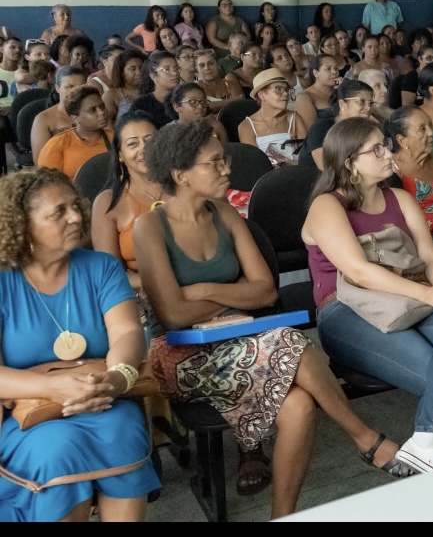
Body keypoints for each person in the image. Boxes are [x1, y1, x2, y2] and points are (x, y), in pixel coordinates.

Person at [134, 122, 402, 519]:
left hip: (240, 341)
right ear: (180, 174)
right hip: (180, 353)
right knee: (289, 341)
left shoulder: (224, 213)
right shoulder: (150, 227)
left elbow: (264, 291)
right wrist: (225, 296)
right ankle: (365, 438)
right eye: (214, 163)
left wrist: (199, 290)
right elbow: (172, 314)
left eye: (224, 159)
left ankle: (283, 515)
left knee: (298, 405)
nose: (227, 168)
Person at [302, 118, 433, 473]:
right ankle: (432, 449)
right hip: (346, 310)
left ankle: (425, 447)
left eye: (386, 145)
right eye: (377, 149)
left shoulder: (398, 197)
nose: (389, 153)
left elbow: (429, 255)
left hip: (408, 299)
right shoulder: (328, 205)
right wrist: (430, 295)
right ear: (350, 162)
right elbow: (357, 271)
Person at [0, 168, 159, 522]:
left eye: (75, 206)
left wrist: (117, 378)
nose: (76, 217)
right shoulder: (2, 280)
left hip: (102, 397)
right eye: (59, 212)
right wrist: (50, 386)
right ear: (22, 225)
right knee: (57, 448)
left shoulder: (100, 267)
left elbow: (126, 334)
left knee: (121, 430)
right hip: (26, 413)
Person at [91, 113, 160, 296]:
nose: (144, 149)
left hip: (201, 283)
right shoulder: (107, 202)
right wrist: (166, 289)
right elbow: (111, 272)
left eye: (150, 139)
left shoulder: (186, 185)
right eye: (133, 144)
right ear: (120, 154)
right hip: (146, 295)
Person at [386, 106, 433, 239]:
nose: (431, 133)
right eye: (422, 129)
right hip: (416, 242)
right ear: (402, 140)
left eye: (430, 125)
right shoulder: (390, 170)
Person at [37, 85, 111, 178]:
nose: (101, 112)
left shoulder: (116, 138)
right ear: (75, 118)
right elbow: (47, 183)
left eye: (102, 106)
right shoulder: (56, 145)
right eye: (92, 110)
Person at [239, 69, 307, 168]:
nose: (285, 94)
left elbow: (305, 156)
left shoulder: (294, 118)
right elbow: (254, 163)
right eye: (278, 89)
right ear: (262, 95)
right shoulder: (247, 126)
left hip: (296, 175)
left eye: (287, 89)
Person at [299, 78, 373, 169]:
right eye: (361, 102)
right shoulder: (320, 129)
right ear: (342, 104)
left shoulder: (365, 130)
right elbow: (326, 168)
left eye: (370, 103)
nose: (368, 108)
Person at [31, 66, 88, 163]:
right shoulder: (43, 119)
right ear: (57, 88)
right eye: (69, 87)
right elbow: (39, 161)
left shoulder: (96, 112)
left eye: (81, 86)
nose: (76, 91)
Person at [128, 52, 179, 129]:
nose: (174, 73)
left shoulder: (185, 97)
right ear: (153, 76)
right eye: (167, 69)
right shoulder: (141, 105)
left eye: (176, 68)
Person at [294, 54, 341, 130]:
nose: (334, 72)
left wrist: (344, 90)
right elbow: (312, 131)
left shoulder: (340, 90)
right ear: (316, 73)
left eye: (336, 68)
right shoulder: (305, 97)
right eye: (328, 69)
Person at [194, 48, 243, 115]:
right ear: (196, 69)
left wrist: (213, 105)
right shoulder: (195, 87)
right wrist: (233, 100)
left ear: (217, 64)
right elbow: (203, 107)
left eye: (211, 63)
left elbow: (241, 104)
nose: (207, 68)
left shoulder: (230, 81)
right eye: (202, 65)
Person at [103, 50, 145, 120]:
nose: (139, 72)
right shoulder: (112, 95)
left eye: (141, 68)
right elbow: (107, 124)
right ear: (121, 72)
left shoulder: (153, 90)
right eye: (133, 69)